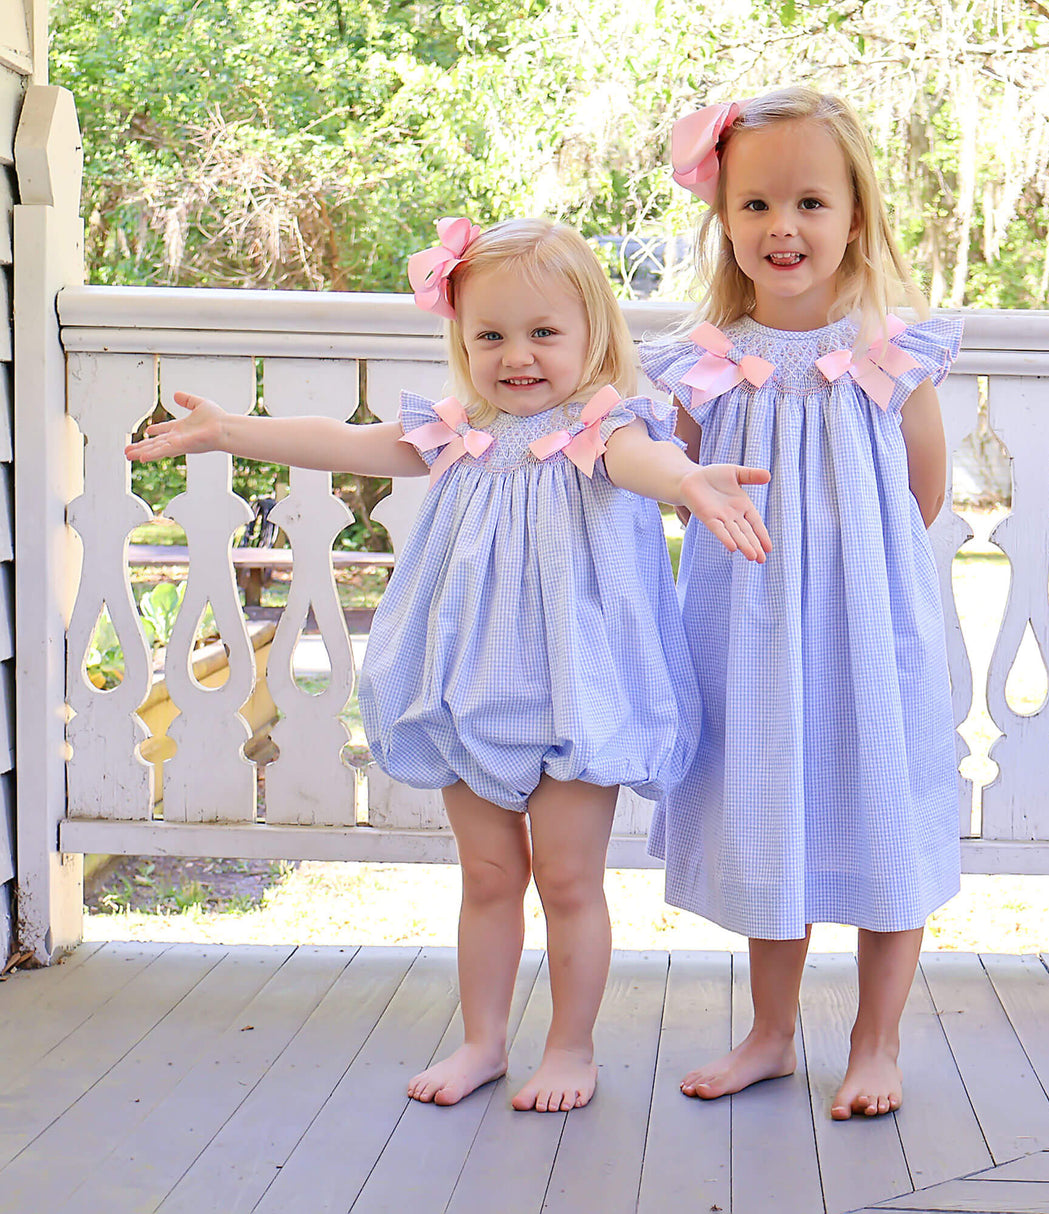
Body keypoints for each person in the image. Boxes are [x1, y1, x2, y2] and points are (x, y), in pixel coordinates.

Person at [125, 216, 771, 1114]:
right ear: (462, 341)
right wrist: (231, 430)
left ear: (592, 336)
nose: (518, 355)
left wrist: (690, 482)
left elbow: (646, 462)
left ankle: (572, 1049)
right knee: (490, 877)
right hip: (468, 688)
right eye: (491, 334)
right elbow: (346, 444)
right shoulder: (462, 431)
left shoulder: (600, 427)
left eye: (545, 333)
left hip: (575, 694)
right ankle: (482, 1041)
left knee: (569, 879)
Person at [640, 87, 963, 1119]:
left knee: (880, 809)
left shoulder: (886, 352)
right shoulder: (705, 362)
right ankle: (770, 1033)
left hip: (867, 624)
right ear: (722, 220)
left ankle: (876, 1041)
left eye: (810, 204)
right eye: (755, 206)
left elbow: (923, 488)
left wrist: (855, 575)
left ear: (853, 216)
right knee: (765, 807)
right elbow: (675, 473)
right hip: (749, 628)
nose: (782, 228)